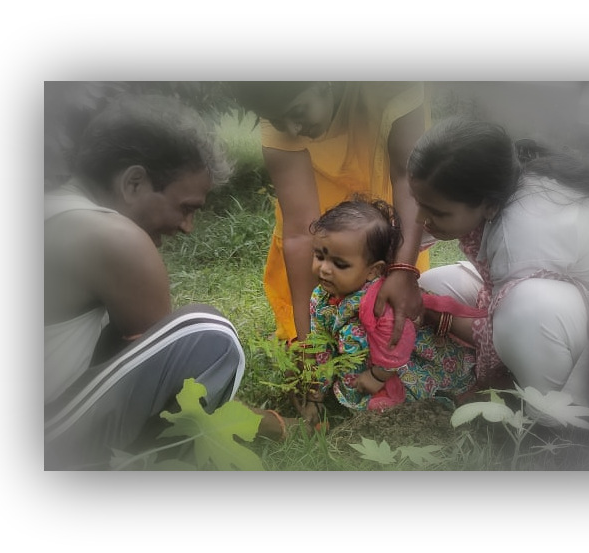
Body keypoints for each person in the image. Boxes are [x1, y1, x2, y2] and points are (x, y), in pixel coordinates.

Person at [44, 93, 291, 470]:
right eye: (186, 207)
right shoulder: (114, 239)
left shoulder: (54, 207)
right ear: (134, 182)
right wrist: (268, 424)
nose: (187, 228)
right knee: (207, 335)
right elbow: (178, 379)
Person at [405, 117, 589, 420]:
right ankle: (475, 370)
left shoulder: (520, 233)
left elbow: (501, 324)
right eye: (417, 202)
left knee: (524, 309)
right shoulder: (498, 189)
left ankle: (550, 422)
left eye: (436, 211)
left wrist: (438, 316)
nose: (421, 218)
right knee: (436, 283)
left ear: (488, 204)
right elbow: (409, 235)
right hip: (577, 298)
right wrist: (402, 273)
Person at [230, 82, 433, 344]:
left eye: (298, 112)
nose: (292, 129)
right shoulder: (277, 104)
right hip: (320, 192)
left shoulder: (390, 80)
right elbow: (302, 232)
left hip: (381, 182)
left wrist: (403, 270)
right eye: (278, 122)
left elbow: (407, 177)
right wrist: (307, 344)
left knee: (392, 321)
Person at [296, 198, 485, 424]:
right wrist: (315, 389)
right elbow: (320, 342)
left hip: (398, 366)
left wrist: (378, 375)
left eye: (340, 264)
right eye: (319, 256)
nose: (324, 269)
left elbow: (400, 338)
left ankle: (419, 407)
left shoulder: (378, 299)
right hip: (357, 367)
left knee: (406, 403)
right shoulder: (320, 297)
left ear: (373, 270)